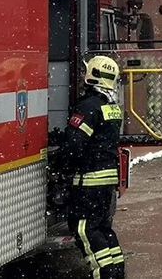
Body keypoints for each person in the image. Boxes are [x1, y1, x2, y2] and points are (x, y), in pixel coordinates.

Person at [58, 55, 125, 279]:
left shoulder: (88, 107)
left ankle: (105, 273)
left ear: (92, 75)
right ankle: (116, 270)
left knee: (84, 228)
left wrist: (61, 166)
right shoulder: (111, 107)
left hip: (90, 179)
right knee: (103, 227)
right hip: (107, 179)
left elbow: (74, 145)